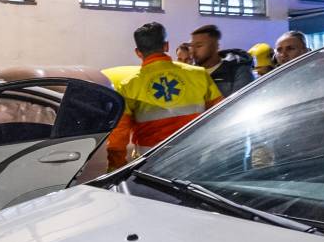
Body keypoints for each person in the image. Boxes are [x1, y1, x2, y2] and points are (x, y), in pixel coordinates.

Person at [107, 22, 223, 171]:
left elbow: (118, 136)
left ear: (138, 52)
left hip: (151, 164)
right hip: (196, 159)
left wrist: (115, 169)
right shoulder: (199, 74)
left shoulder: (128, 86)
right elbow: (220, 115)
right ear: (166, 46)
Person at [189, 24, 254, 96]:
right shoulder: (190, 73)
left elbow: (241, 103)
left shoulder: (238, 70)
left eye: (199, 46)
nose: (192, 51)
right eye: (191, 46)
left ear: (215, 45)